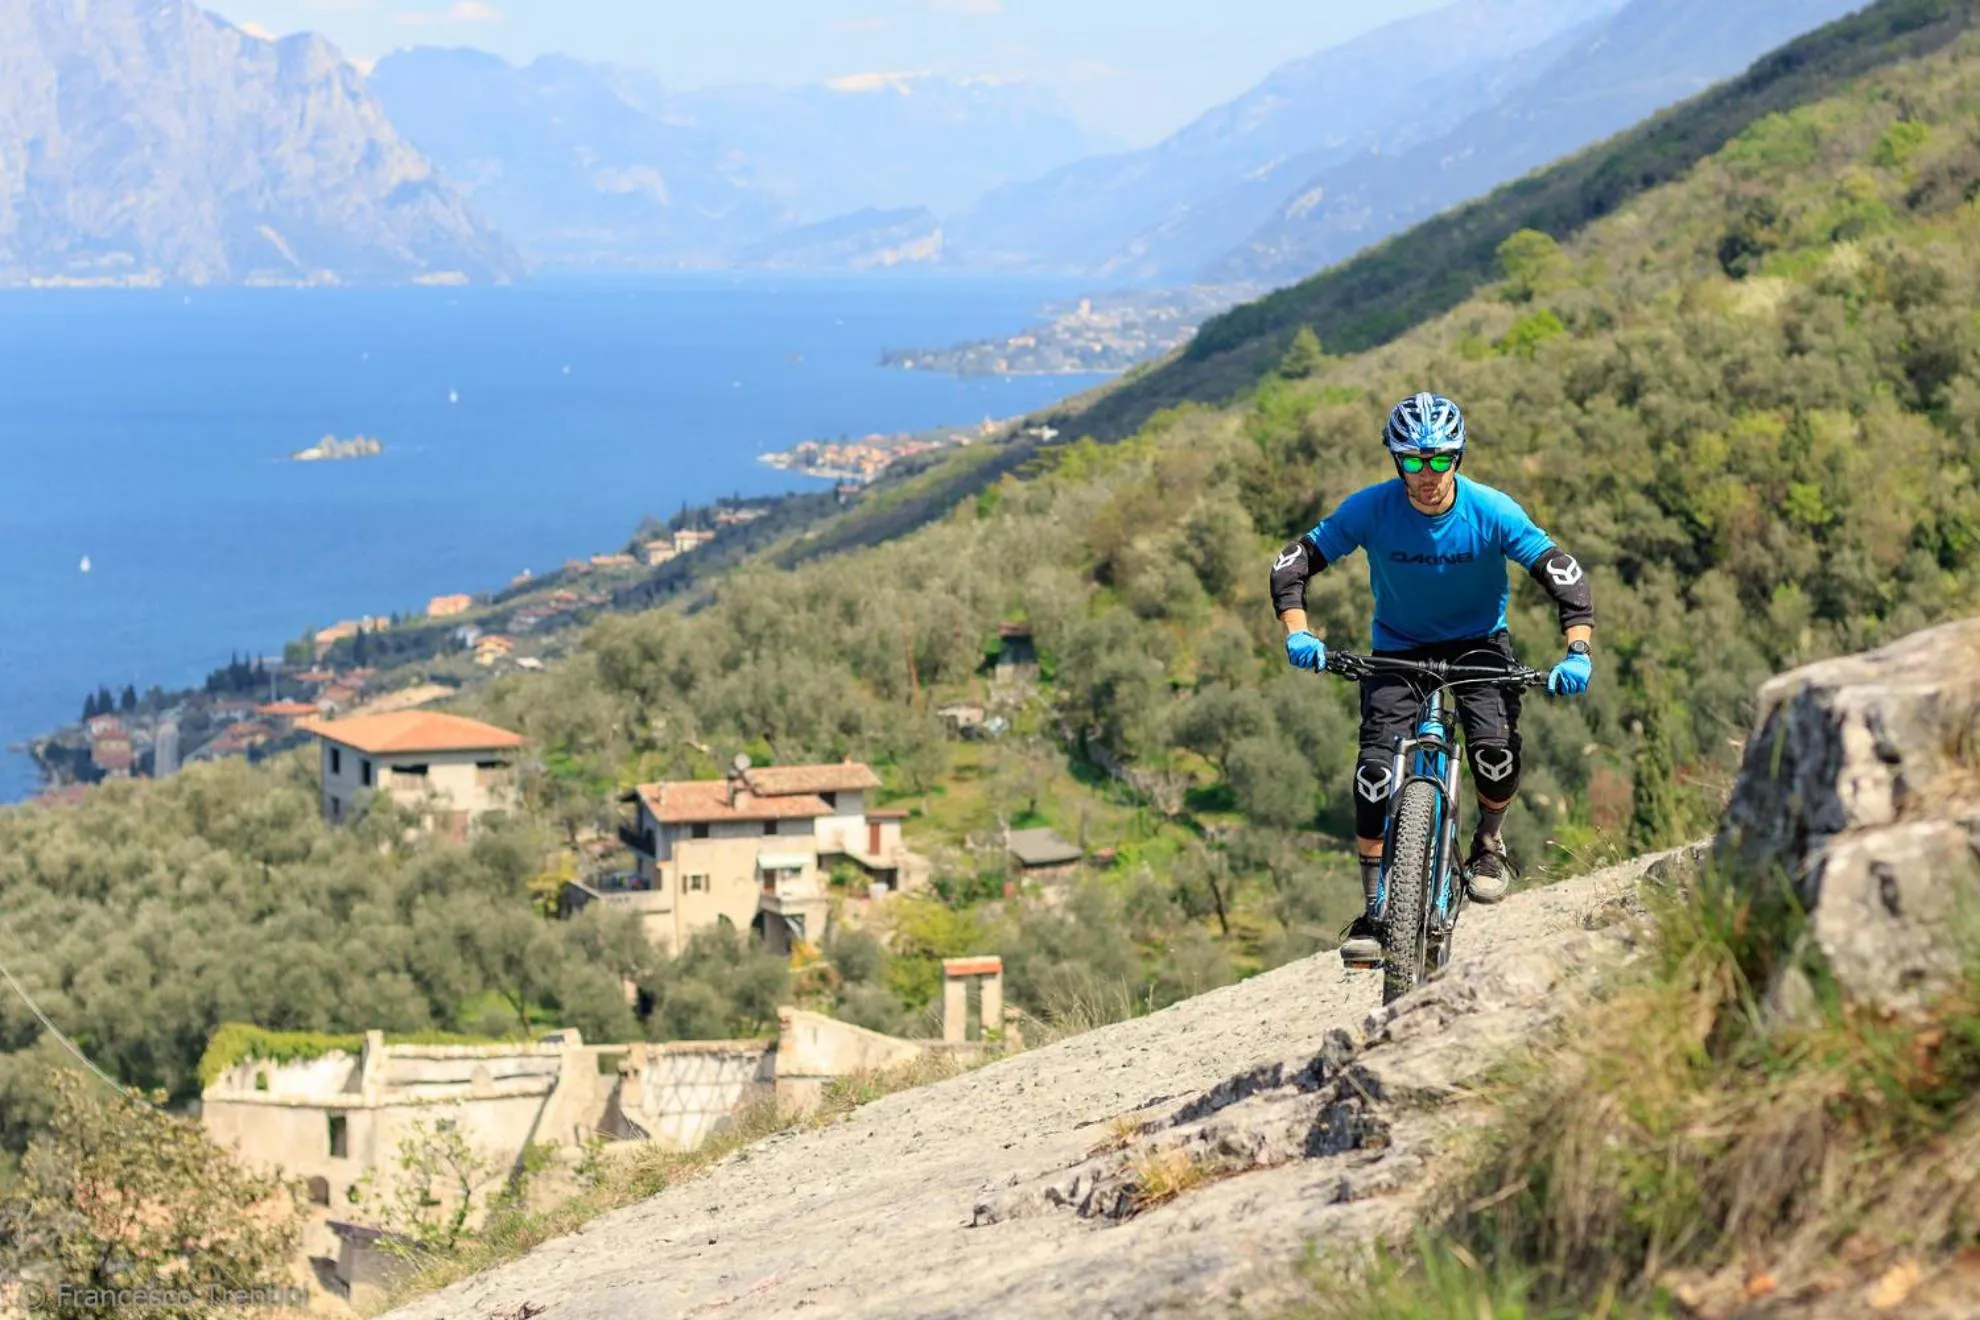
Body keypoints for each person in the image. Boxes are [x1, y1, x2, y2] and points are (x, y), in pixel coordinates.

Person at [1269, 392, 1594, 968]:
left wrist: (1578, 650)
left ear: (1458, 458)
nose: (1427, 475)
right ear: (1397, 462)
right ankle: (1375, 909)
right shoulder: (1371, 509)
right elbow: (1293, 562)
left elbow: (1561, 573)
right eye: (1413, 462)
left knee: (1494, 754)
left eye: (1440, 460)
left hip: (1480, 646)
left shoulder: (1492, 510)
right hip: (1399, 647)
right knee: (1373, 774)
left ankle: (1488, 846)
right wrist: (1299, 631)